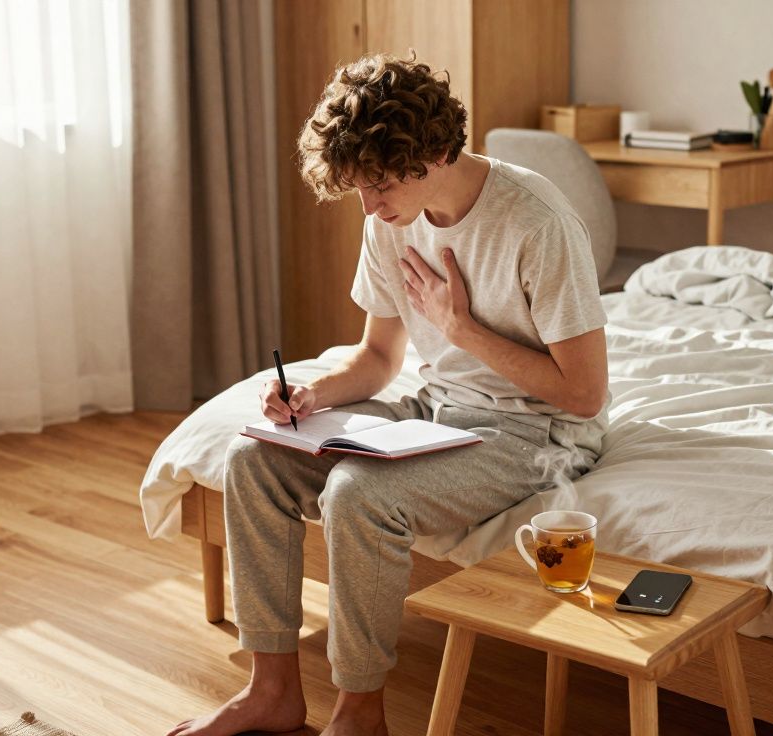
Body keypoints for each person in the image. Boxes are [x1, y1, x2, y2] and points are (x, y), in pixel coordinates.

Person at [168, 52, 609, 736]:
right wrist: (312, 395)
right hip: (436, 411)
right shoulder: (391, 218)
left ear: (433, 152)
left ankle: (359, 714)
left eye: (377, 185)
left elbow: (584, 394)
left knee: (359, 493)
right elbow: (378, 357)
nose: (369, 207)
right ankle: (272, 691)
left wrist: (460, 329)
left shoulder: (536, 222)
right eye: (359, 189)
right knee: (254, 459)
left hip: (538, 432)